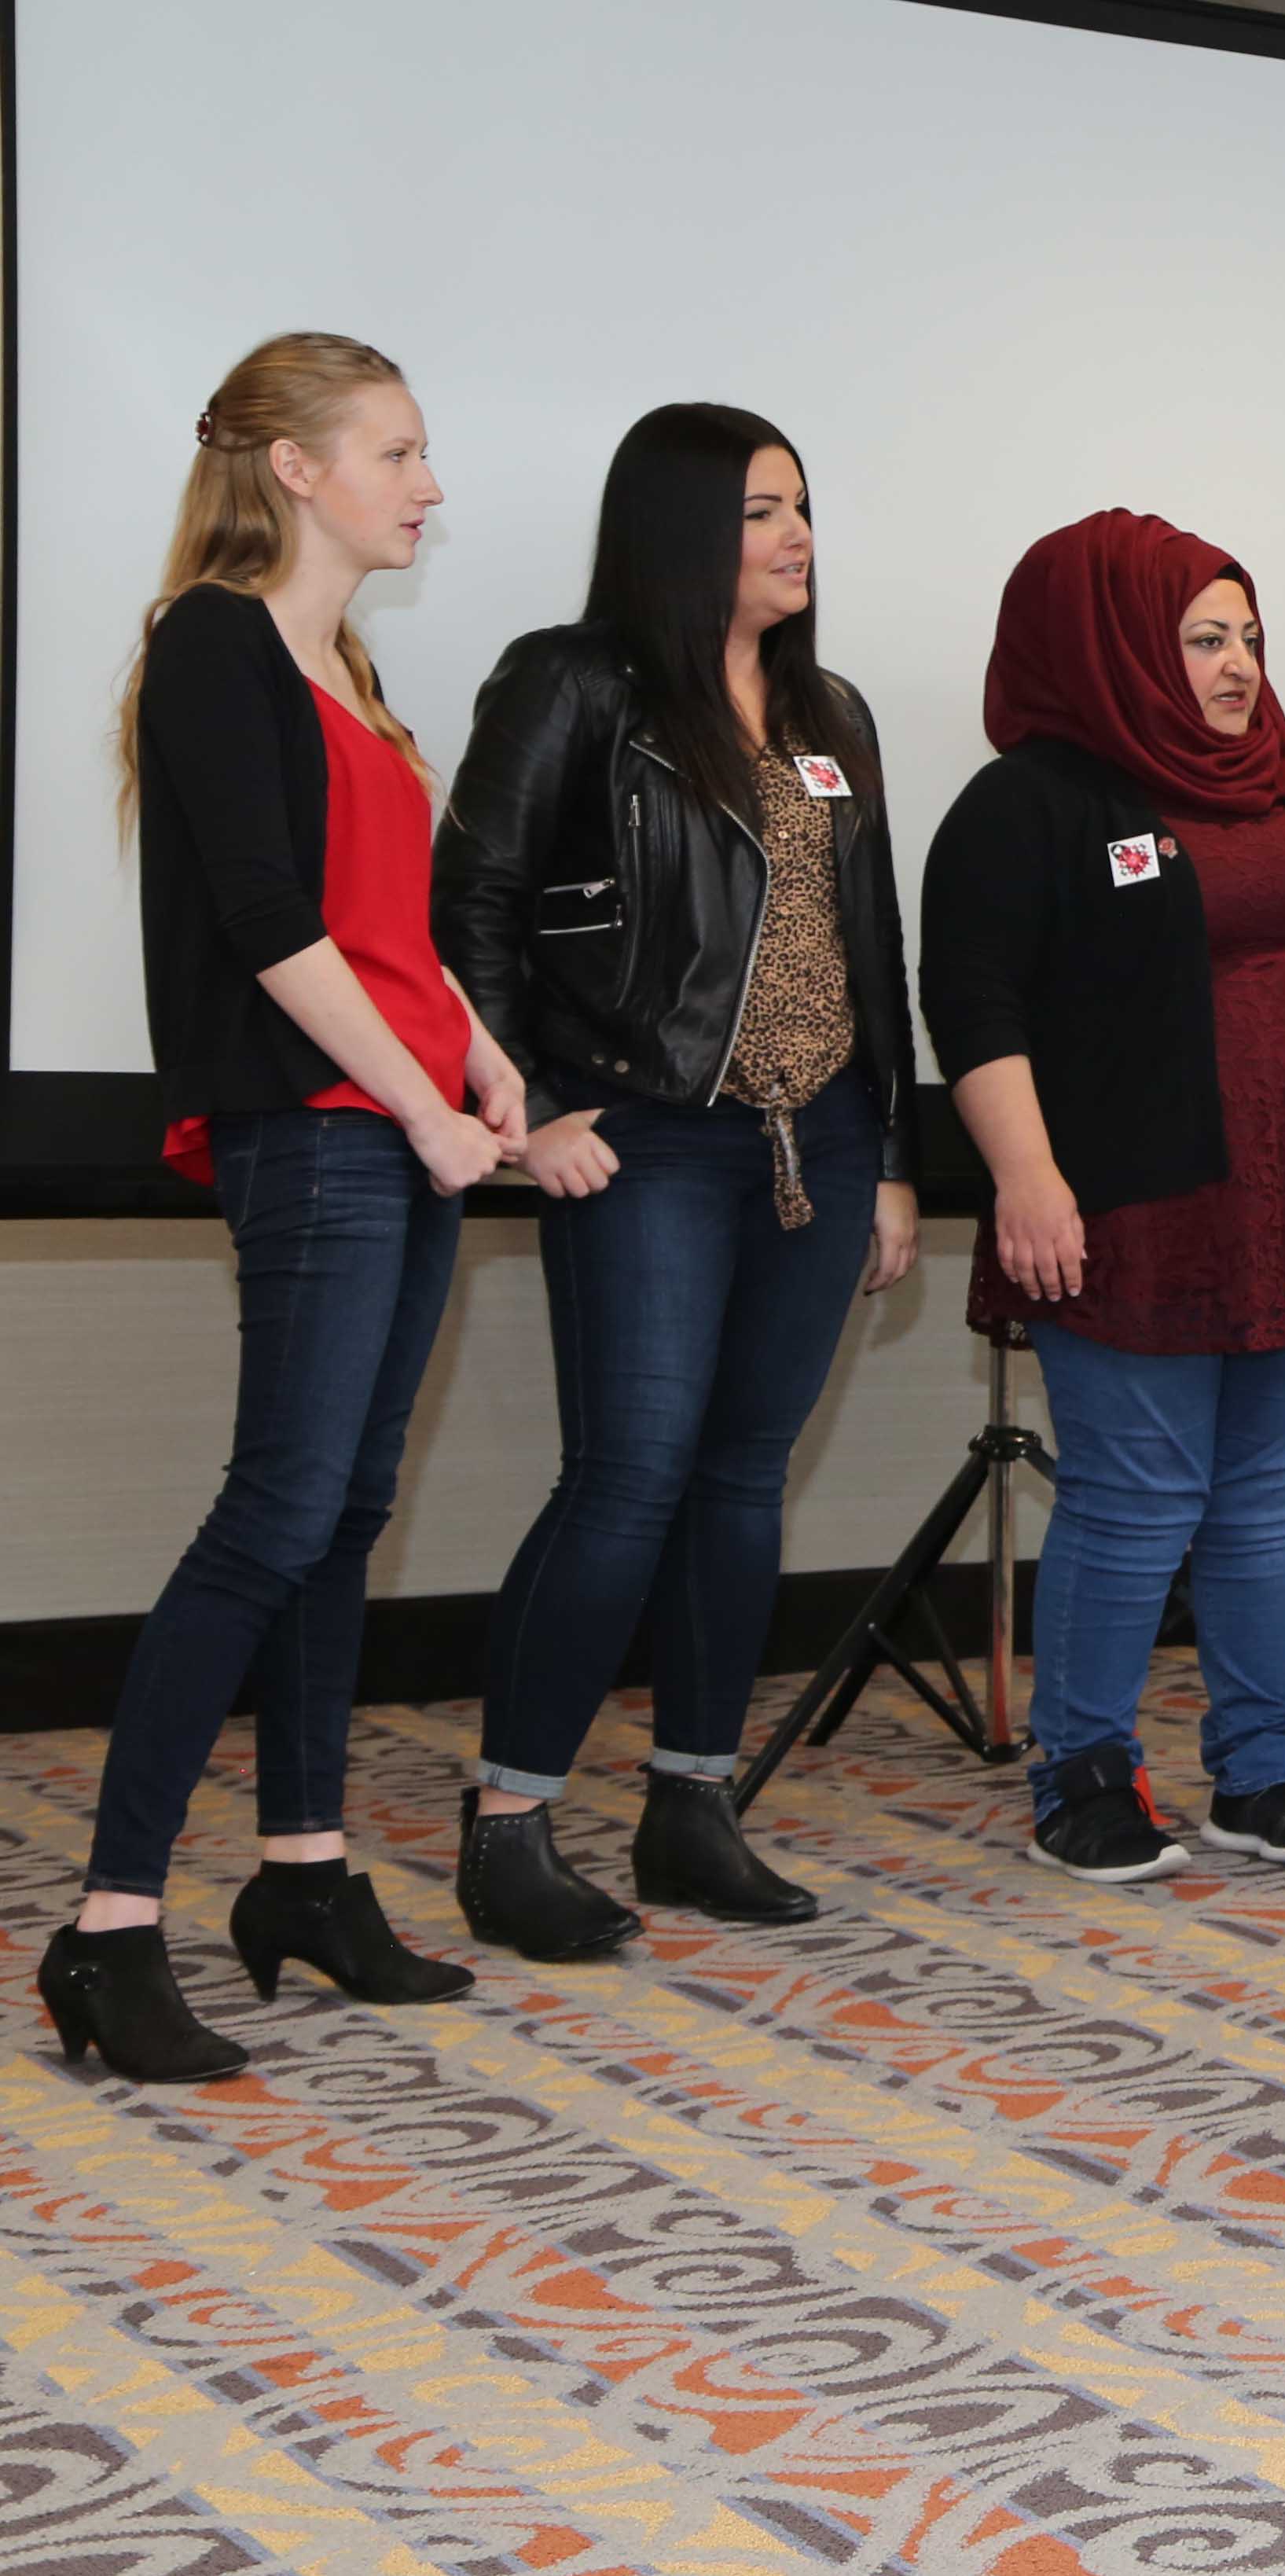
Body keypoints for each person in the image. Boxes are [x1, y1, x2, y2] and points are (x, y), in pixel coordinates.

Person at [39, 334, 522, 2082]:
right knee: (275, 1510)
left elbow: (393, 929)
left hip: (397, 1126)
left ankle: (304, 1875)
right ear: (296, 468)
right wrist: (415, 1100)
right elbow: (264, 919)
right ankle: (105, 1928)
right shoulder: (217, 642)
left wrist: (483, 1061)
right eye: (396, 451)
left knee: (341, 1514)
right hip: (317, 1130)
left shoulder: (352, 663)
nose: (428, 483)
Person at [433, 405, 920, 1956]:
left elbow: (874, 952)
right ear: (676, 527)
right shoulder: (573, 682)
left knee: (740, 1474)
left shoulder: (829, 705)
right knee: (629, 1473)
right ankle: (511, 1820)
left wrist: (893, 1156)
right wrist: (528, 1111)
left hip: (819, 1138)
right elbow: (475, 908)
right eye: (759, 510)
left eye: (801, 507)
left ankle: (690, 1805)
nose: (795, 536)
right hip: (643, 1134)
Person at [923, 512, 1285, 1884]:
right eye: (1203, 639)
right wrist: (1025, 1177)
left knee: (1269, 1498)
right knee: (1137, 1496)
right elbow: (972, 1002)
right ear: (1117, 644)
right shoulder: (1031, 799)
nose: (1236, 666)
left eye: (1249, 638)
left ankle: (1261, 1775)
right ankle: (1082, 1775)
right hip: (1123, 1202)